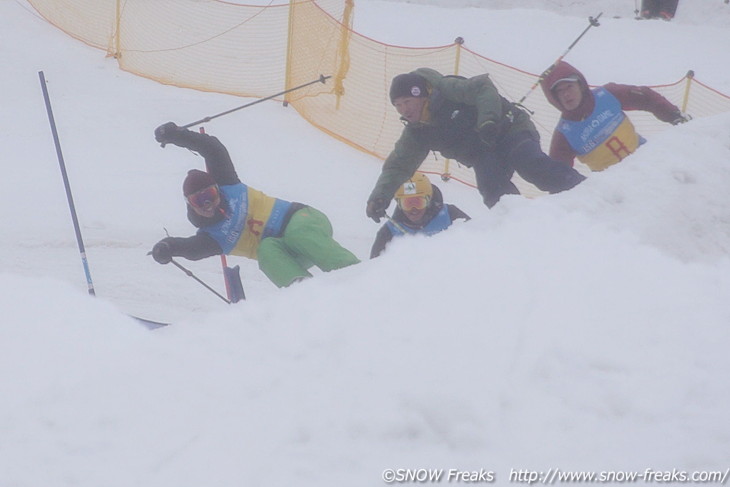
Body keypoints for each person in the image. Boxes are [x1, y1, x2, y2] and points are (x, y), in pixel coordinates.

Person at [149, 122, 360, 288]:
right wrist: (168, 247)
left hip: (304, 221)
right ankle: (305, 293)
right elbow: (192, 249)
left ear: (217, 189)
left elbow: (213, 149)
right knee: (266, 250)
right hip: (289, 254)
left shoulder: (227, 183)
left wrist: (177, 135)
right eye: (198, 200)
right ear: (190, 205)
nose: (207, 204)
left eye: (210, 195)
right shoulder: (212, 237)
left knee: (297, 234)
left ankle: (357, 276)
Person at [365, 68, 585, 221]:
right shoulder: (418, 132)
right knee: (492, 189)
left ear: (421, 96)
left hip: (509, 130)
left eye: (407, 102)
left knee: (530, 164)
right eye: (398, 105)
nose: (404, 109)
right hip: (483, 152)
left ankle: (585, 193)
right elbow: (398, 166)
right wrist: (380, 197)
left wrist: (488, 120)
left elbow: (482, 87)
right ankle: (520, 225)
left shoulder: (446, 90)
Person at [539, 61, 690, 171]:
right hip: (615, 186)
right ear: (554, 98)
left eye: (569, 87)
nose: (566, 94)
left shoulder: (607, 95)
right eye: (559, 91)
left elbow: (646, 97)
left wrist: (674, 115)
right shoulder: (564, 134)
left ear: (580, 85)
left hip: (648, 160)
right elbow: (558, 174)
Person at [370, 173, 470, 258]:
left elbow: (475, 240)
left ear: (428, 200)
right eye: (407, 204)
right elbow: (374, 268)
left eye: (418, 202)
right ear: (399, 204)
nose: (413, 210)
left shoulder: (450, 214)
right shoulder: (390, 231)